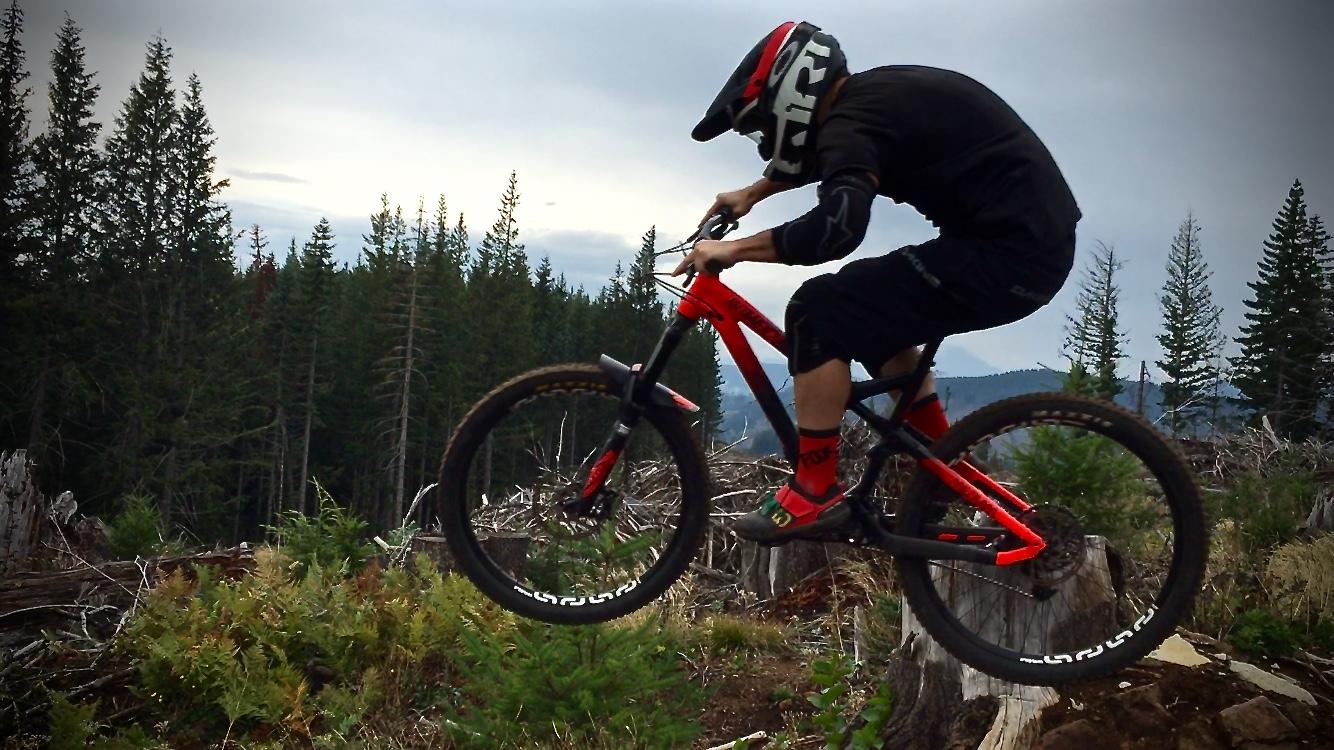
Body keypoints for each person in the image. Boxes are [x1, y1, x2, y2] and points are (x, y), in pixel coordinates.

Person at [673, 21, 1081, 543]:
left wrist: (735, 249)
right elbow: (836, 153)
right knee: (874, 314)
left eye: (764, 124)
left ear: (793, 96)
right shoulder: (870, 98)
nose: (765, 138)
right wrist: (753, 193)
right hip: (1026, 248)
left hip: (1007, 257)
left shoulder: (853, 121)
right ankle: (945, 462)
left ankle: (815, 492)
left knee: (818, 310)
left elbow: (837, 229)